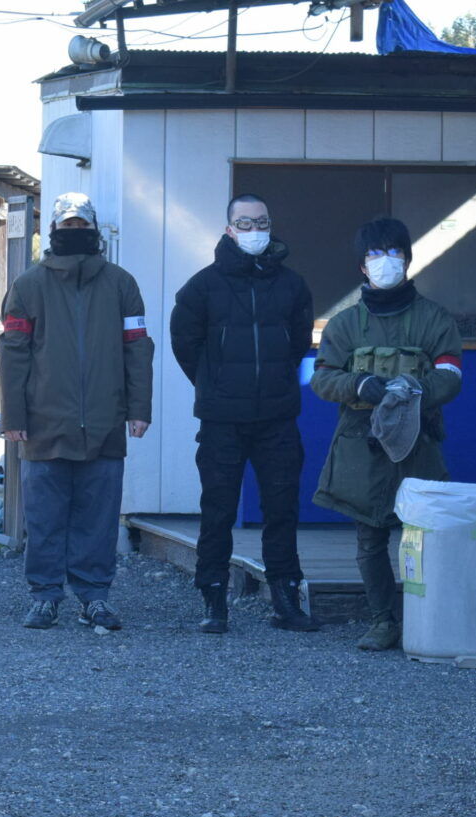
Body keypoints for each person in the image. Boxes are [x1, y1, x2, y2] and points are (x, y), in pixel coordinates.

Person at [0, 192, 155, 630]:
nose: (75, 231)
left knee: (98, 520)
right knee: (44, 519)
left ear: (94, 227)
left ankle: (94, 598)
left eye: (81, 224)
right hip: (43, 426)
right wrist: (13, 417)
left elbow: (138, 349)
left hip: (105, 425)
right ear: (52, 230)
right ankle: (45, 597)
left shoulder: (122, 284)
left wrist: (139, 408)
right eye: (67, 225)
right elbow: (12, 353)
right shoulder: (28, 286)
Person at [310, 217, 464, 652]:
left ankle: (428, 620)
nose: (385, 261)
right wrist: (360, 385)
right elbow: (322, 379)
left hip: (420, 443)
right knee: (370, 536)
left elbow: (451, 376)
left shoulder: (435, 319)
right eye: (375, 254)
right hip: (361, 445)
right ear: (362, 266)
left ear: (408, 259)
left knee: (425, 534)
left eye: (394, 252)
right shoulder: (343, 325)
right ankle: (383, 621)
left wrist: (410, 392)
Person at [169, 193, 318, 634]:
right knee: (217, 510)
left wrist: (276, 380)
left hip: (277, 416)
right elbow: (185, 344)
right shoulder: (201, 287)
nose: (255, 230)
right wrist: (213, 384)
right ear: (229, 229)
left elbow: (298, 342)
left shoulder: (292, 285)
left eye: (262, 222)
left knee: (282, 509)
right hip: (221, 420)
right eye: (245, 223)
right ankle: (214, 601)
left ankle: (286, 601)